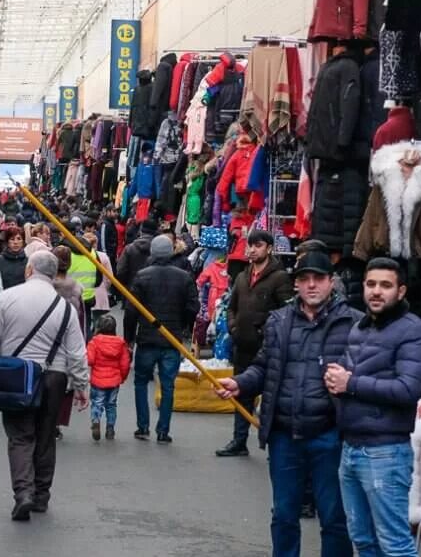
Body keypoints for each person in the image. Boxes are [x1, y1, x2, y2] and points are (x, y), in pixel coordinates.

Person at [217, 250, 356, 557]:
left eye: (318, 279)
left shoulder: (352, 324)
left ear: (331, 282)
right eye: (304, 279)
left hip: (330, 435)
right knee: (283, 515)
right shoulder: (279, 321)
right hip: (284, 433)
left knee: (334, 517)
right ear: (296, 285)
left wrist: (350, 381)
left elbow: (362, 375)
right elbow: (263, 366)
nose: (311, 285)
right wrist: (240, 382)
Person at [0, 251, 89, 521]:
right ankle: (41, 495)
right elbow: (77, 352)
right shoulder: (65, 307)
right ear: (53, 272)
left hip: (18, 376)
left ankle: (23, 492)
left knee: (21, 436)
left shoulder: (5, 299)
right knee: (46, 436)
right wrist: (82, 385)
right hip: (54, 377)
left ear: (29, 270)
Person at [326, 257, 421, 557]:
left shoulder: (414, 331)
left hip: (385, 452)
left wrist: (351, 383)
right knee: (362, 540)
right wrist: (335, 382)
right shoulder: (360, 327)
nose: (376, 291)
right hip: (351, 448)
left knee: (395, 545)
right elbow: (351, 379)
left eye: (385, 285)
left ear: (401, 291)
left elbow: (408, 389)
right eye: (371, 284)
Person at [217, 230, 293, 457]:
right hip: (242, 344)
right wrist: (233, 327)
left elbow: (286, 312)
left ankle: (274, 444)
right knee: (240, 394)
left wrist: (265, 330)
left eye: (257, 245)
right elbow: (231, 307)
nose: (251, 250)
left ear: (269, 248)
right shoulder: (242, 276)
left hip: (267, 347)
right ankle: (239, 441)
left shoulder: (279, 278)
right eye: (250, 246)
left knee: (272, 394)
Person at [124, 235, 199, 444]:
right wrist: (183, 325)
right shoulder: (183, 277)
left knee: (140, 382)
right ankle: (163, 430)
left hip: (147, 338)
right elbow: (193, 306)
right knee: (168, 385)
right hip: (171, 339)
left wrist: (128, 339)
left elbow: (131, 310)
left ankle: (143, 426)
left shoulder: (142, 276)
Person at [86, 313, 131, 441]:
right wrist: (122, 377)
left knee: (97, 403)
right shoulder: (121, 343)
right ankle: (110, 428)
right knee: (111, 405)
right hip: (114, 380)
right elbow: (125, 364)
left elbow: (89, 360)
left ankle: (95, 421)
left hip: (97, 380)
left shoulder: (94, 342)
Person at [116, 218, 157, 291]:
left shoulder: (129, 248)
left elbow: (120, 271)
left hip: (132, 290)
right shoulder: (159, 250)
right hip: (153, 291)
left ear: (141, 231)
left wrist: (127, 284)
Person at [0, 225, 29, 289]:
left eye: (19, 239)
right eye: (12, 239)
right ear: (7, 242)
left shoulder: (28, 261)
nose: (15, 242)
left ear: (23, 241)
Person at [98, 203, 119, 272]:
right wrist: (105, 257)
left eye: (116, 211)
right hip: (107, 257)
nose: (116, 213)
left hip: (112, 257)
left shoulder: (111, 224)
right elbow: (102, 241)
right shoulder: (105, 224)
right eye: (114, 211)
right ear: (108, 212)